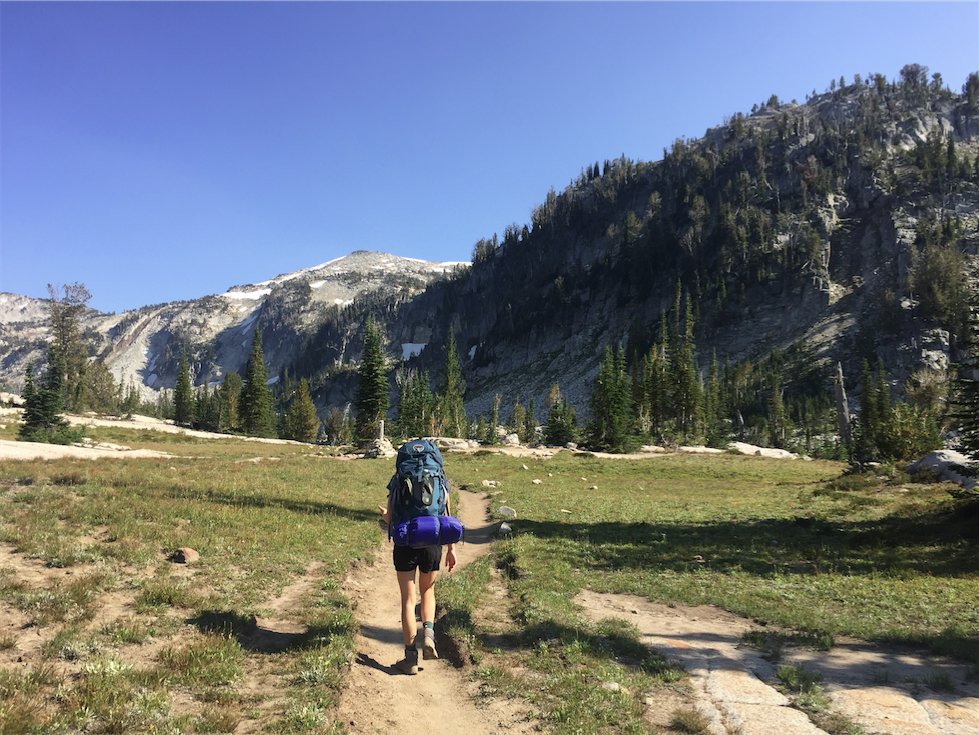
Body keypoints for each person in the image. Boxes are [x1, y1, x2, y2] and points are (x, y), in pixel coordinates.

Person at [378, 495, 458, 675]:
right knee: (428, 590)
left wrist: (385, 514)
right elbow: (446, 516)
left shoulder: (399, 478)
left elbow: (390, 518)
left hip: (405, 540)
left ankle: (410, 659)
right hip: (432, 541)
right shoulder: (440, 479)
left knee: (408, 599)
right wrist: (452, 549)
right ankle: (428, 633)